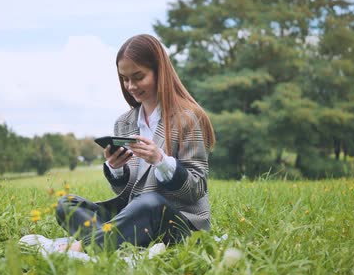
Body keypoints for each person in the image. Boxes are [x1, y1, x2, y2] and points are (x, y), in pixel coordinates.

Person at [29, 34, 215, 254]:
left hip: (178, 225)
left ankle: (81, 247)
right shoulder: (124, 123)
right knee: (67, 205)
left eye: (138, 77)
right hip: (136, 220)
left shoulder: (187, 118)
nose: (131, 86)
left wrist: (161, 161)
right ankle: (120, 245)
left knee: (150, 203)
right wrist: (117, 170)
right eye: (125, 79)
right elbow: (128, 192)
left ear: (159, 72)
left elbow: (196, 188)